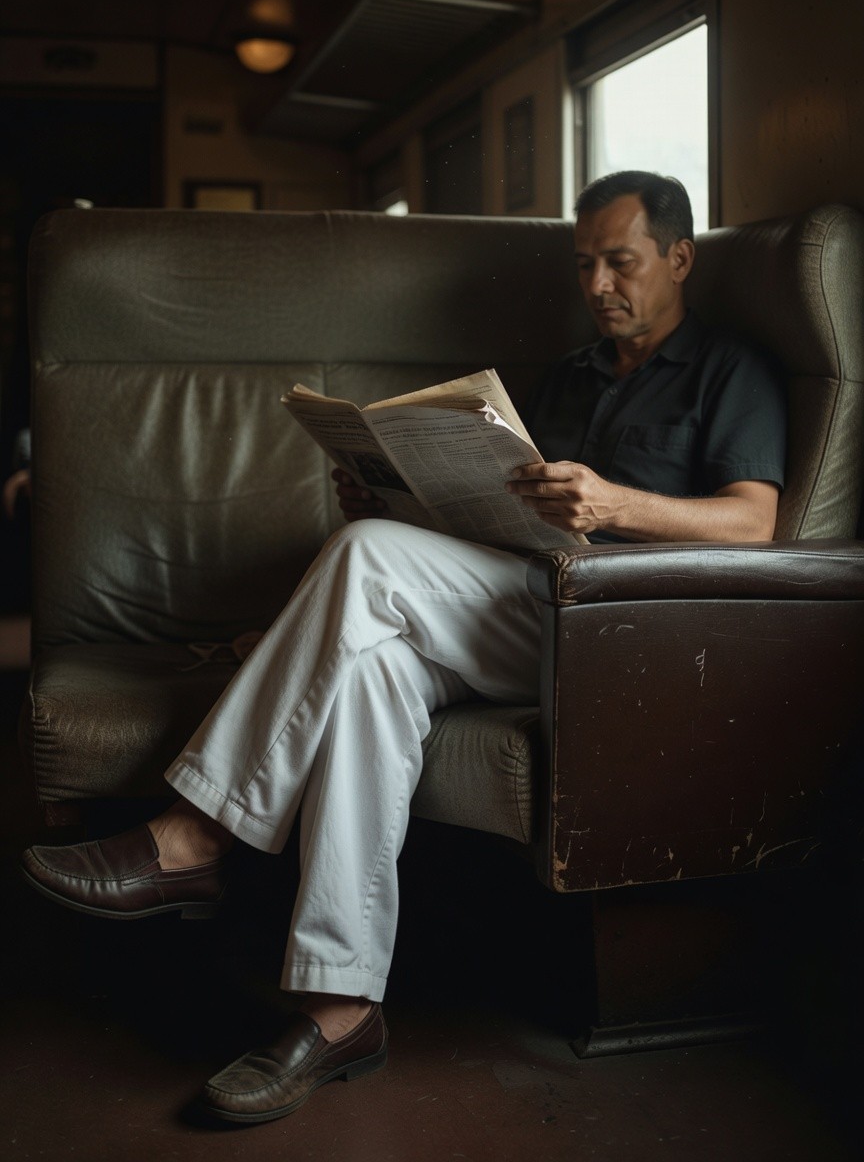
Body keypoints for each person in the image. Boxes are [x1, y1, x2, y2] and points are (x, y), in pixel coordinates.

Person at [21, 171, 786, 1126]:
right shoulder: (571, 375)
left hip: (620, 629)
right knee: (371, 667)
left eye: (620, 263)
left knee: (367, 559)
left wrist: (614, 502)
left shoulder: (730, 370)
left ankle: (194, 835)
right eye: (585, 264)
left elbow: (756, 525)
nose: (598, 285)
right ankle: (341, 1007)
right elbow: (505, 517)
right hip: (515, 602)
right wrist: (391, 496)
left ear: (679, 258)